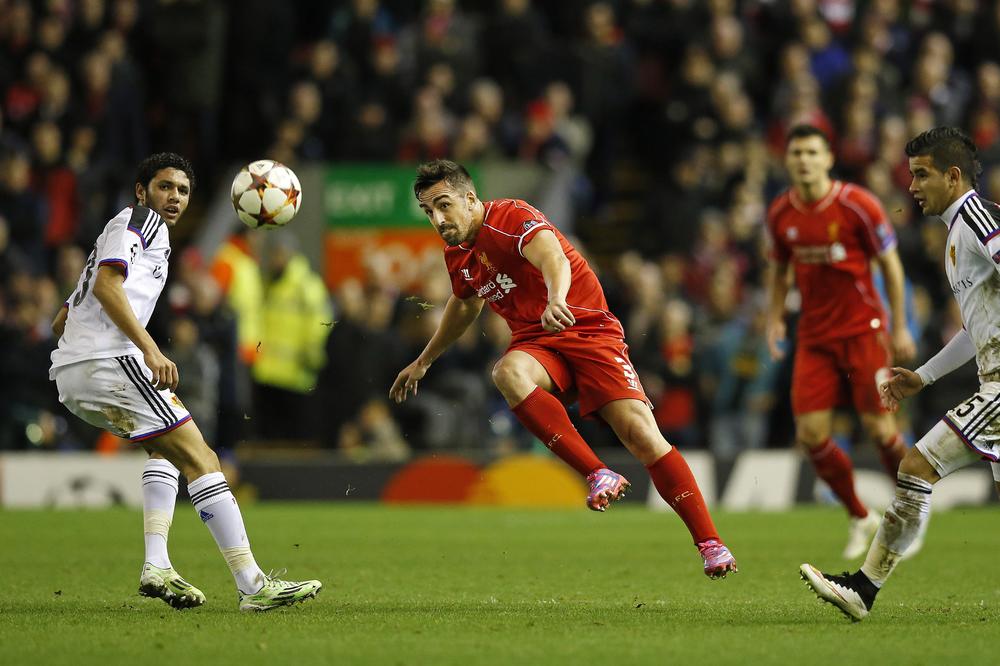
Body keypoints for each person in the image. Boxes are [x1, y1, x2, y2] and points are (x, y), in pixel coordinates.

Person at [389, 159, 737, 578]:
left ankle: (710, 543)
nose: (439, 219)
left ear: (469, 197)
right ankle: (597, 473)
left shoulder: (511, 216)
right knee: (507, 372)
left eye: (444, 205)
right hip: (537, 342)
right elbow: (465, 304)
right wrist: (424, 360)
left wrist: (557, 298)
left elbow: (552, 254)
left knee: (641, 435)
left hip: (586, 328)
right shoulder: (457, 253)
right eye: (429, 212)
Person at [48, 152, 321, 611]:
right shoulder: (141, 222)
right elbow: (107, 288)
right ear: (142, 191)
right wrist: (149, 350)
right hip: (108, 362)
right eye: (164, 187)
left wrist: (85, 345)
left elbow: (62, 318)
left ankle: (156, 564)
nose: (174, 197)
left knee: (164, 449)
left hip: (75, 374)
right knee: (203, 457)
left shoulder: (119, 231)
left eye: (183, 191)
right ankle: (253, 585)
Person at [801, 127, 1000, 621]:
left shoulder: (976, 218)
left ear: (953, 177)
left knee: (916, 465)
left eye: (921, 175)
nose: (911, 187)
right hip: (990, 376)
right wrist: (925, 377)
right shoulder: (957, 234)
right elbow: (980, 329)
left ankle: (863, 589)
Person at [766, 124, 917, 559]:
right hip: (814, 337)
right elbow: (779, 269)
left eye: (812, 152)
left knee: (878, 428)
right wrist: (776, 318)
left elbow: (890, 265)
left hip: (863, 332)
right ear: (788, 159)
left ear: (828, 158)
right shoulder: (781, 213)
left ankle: (910, 507)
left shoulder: (858, 205)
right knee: (810, 435)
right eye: (796, 153)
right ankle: (858, 514)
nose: (803, 160)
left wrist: (900, 324)